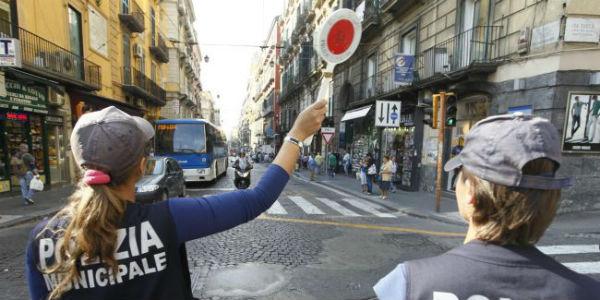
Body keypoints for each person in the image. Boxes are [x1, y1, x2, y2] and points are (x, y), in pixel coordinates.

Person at [25, 100, 327, 300]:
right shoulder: (165, 220)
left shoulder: (42, 240)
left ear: (81, 166)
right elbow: (257, 199)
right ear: (143, 167)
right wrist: (296, 135)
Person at [373, 114, 600, 300]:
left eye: (460, 175)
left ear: (471, 192)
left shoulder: (410, 284)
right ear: (552, 199)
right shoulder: (587, 292)